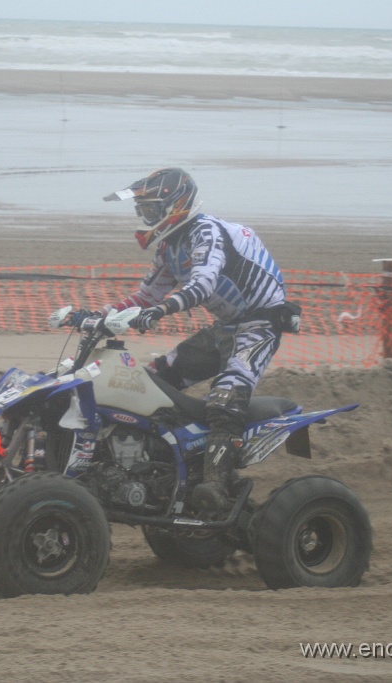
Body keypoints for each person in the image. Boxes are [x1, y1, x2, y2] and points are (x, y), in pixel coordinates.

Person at [102, 168, 291, 513]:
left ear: (174, 206)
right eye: (142, 210)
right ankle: (167, 468)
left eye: (151, 210)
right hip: (226, 328)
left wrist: (162, 310)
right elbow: (144, 296)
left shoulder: (206, 232)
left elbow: (202, 283)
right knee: (153, 380)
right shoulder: (169, 248)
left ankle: (216, 488)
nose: (145, 217)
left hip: (260, 326)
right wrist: (101, 317)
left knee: (225, 398)